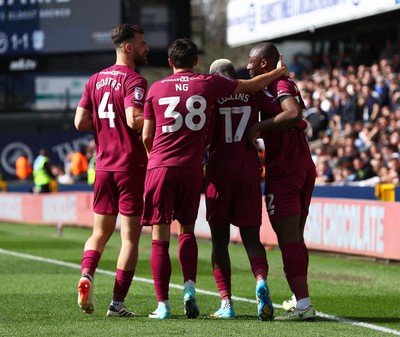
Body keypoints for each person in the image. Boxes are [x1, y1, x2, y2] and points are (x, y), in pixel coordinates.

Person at [141, 38, 288, 320]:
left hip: (207, 171)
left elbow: (148, 135)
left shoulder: (162, 88)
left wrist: (156, 158)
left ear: (170, 62)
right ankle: (257, 282)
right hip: (240, 170)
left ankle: (214, 304)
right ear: (195, 62)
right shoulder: (218, 87)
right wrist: (279, 73)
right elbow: (257, 88)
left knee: (192, 239)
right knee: (247, 237)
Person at [74, 23, 149, 317]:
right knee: (129, 238)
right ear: (128, 47)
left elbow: (80, 122)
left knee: (99, 233)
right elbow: (133, 119)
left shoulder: (95, 79)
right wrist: (159, 119)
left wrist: (106, 124)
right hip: (130, 166)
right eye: (142, 44)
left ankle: (87, 274)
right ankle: (117, 304)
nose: (146, 48)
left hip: (103, 167)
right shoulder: (135, 80)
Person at [247, 42, 317, 321]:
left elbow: (292, 113)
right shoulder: (278, 82)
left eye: (252, 61)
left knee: (288, 239)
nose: (249, 65)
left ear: (264, 63)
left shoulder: (277, 85)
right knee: (295, 240)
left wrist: (258, 127)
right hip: (300, 164)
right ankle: (301, 298)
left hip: (286, 170)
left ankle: (304, 304)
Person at [205, 59, 273, 321]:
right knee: (252, 238)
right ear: (235, 74)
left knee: (219, 241)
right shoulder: (252, 92)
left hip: (219, 173)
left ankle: (226, 302)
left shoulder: (209, 97)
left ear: (212, 77)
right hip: (248, 171)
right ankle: (260, 280)